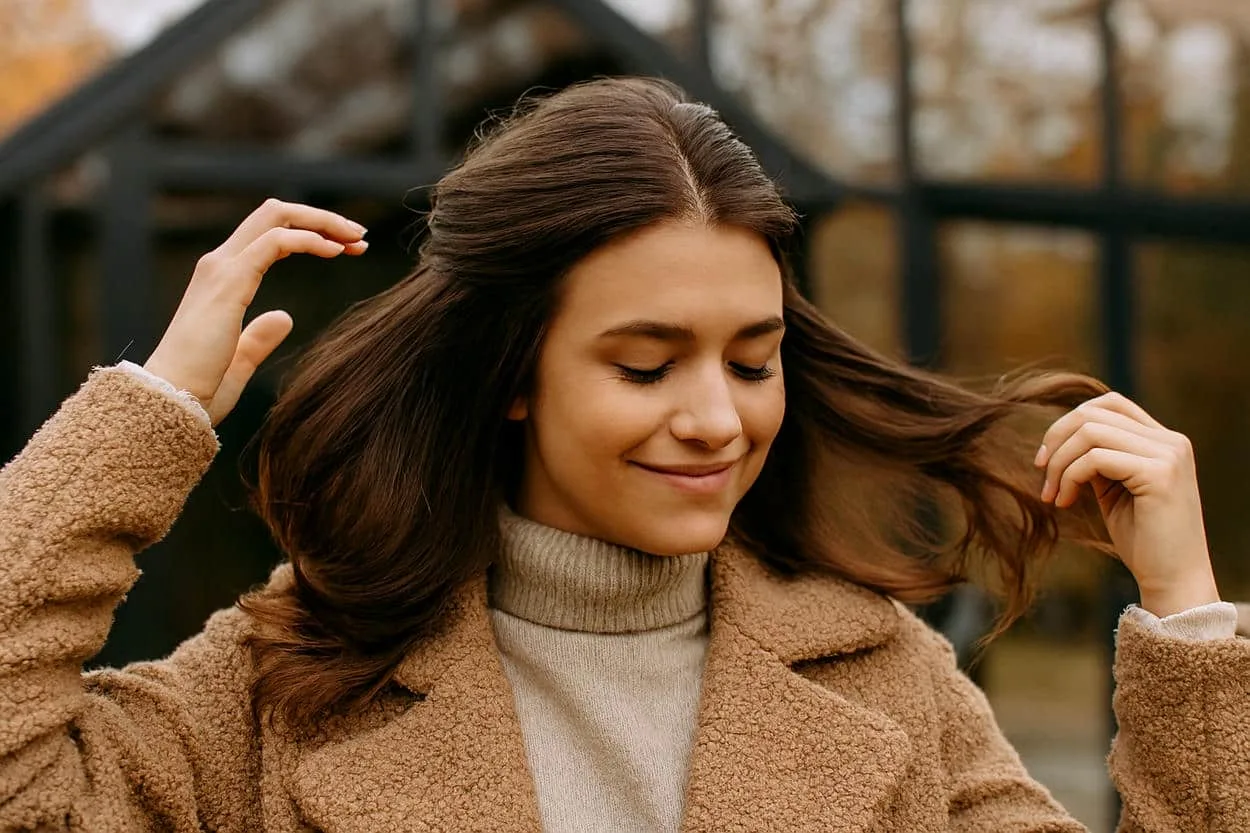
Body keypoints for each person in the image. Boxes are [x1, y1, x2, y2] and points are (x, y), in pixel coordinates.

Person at [1, 77, 1246, 833]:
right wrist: (143, 414)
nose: (714, 417)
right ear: (511, 380)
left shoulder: (882, 684)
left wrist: (1185, 620)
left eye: (751, 361)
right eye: (645, 365)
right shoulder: (282, 682)